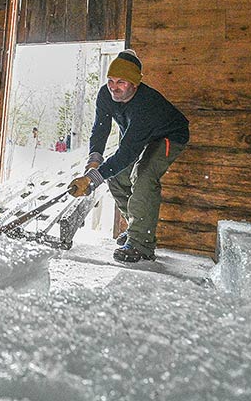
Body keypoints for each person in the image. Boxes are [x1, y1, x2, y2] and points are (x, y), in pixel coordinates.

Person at [67, 50, 189, 263]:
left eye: (121, 82)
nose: (114, 87)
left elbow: (126, 153)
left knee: (143, 176)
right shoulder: (106, 94)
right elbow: (100, 129)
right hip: (137, 138)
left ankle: (141, 243)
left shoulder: (146, 105)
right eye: (111, 80)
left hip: (168, 136)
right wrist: (93, 164)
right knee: (116, 176)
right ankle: (136, 229)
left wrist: (93, 179)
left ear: (135, 84)